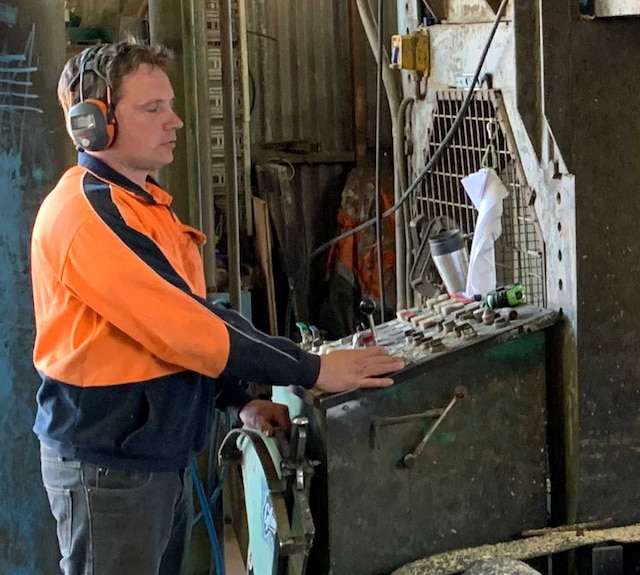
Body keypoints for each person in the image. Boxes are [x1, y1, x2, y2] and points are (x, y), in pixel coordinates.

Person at [31, 38, 404, 575]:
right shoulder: (88, 217)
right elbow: (189, 327)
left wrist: (236, 400)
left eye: (171, 104)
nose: (175, 121)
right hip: (109, 469)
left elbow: (165, 334)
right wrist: (313, 369)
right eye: (152, 108)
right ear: (95, 124)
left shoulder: (143, 204)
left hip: (152, 457)